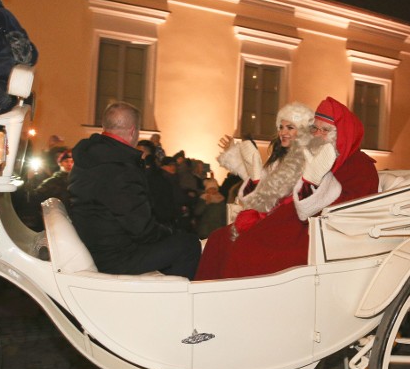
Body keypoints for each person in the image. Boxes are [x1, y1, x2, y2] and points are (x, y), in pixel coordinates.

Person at [195, 97, 378, 280]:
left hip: (319, 232)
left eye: (326, 130)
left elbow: (350, 210)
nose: (318, 135)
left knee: (247, 247)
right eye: (316, 128)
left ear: (342, 133)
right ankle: (205, 295)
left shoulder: (360, 166)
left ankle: (233, 300)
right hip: (290, 217)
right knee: (220, 238)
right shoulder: (306, 155)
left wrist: (313, 191)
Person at [68, 102, 200, 277]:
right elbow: (142, 229)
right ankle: (171, 301)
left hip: (96, 244)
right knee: (189, 244)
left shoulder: (88, 158)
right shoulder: (119, 169)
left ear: (104, 127)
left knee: (174, 242)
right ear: (133, 131)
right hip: (115, 256)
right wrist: (171, 232)